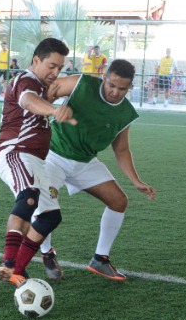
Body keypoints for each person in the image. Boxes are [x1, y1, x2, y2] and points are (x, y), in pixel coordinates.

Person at [35, 59, 155, 282]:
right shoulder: (81, 84)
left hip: (85, 162)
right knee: (43, 203)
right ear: (104, 78)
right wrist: (53, 108)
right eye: (112, 85)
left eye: (122, 89)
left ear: (130, 88)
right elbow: (48, 91)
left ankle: (100, 259)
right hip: (53, 156)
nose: (115, 92)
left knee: (119, 201)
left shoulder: (125, 113)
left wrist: (136, 181)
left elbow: (121, 149)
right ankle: (47, 253)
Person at [0, 37, 74, 287]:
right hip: (15, 152)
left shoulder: (41, 86)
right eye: (51, 66)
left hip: (36, 161)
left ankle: (18, 269)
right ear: (36, 60)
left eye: (60, 68)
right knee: (28, 198)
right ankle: (8, 263)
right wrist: (51, 109)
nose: (56, 72)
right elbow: (27, 100)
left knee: (50, 216)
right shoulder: (25, 80)